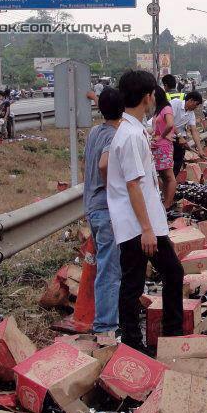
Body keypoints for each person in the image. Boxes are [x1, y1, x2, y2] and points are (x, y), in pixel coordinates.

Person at [107, 71, 184, 350]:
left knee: (143, 280)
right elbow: (132, 186)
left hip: (143, 224)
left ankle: (144, 339)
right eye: (153, 94)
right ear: (147, 97)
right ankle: (145, 340)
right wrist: (148, 230)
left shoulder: (134, 131)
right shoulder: (130, 136)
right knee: (152, 279)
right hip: (139, 227)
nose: (154, 99)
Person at [83, 87, 124, 337]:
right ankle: (106, 327)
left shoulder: (94, 132)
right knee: (110, 270)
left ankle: (106, 318)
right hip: (106, 209)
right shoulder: (113, 136)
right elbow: (104, 164)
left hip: (92, 207)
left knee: (103, 266)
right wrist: (116, 192)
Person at [151, 88, 177, 208]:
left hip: (164, 146)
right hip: (157, 146)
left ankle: (168, 203)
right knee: (162, 176)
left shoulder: (166, 108)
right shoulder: (158, 110)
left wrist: (161, 136)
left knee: (168, 175)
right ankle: (165, 201)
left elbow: (170, 124)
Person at [170, 91, 204, 176]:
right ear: (191, 100)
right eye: (196, 104)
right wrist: (180, 137)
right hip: (165, 133)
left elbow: (194, 131)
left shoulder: (191, 114)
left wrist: (200, 149)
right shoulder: (175, 103)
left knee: (179, 159)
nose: (196, 107)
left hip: (177, 136)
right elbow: (170, 122)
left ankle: (173, 180)